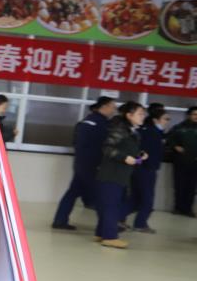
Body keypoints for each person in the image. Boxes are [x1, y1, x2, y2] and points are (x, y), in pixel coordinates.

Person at [52, 96, 117, 230]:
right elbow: (103, 147)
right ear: (104, 107)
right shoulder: (102, 124)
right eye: (112, 107)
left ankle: (60, 220)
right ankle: (107, 227)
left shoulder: (86, 121)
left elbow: (76, 143)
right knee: (101, 196)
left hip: (81, 163)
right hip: (92, 166)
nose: (114, 110)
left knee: (72, 193)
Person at [95, 102, 147, 249]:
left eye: (143, 114)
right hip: (111, 174)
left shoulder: (132, 131)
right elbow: (107, 148)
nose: (143, 117)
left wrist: (139, 154)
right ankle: (110, 237)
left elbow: (126, 147)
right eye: (140, 114)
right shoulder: (120, 129)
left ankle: (101, 233)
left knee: (110, 205)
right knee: (112, 206)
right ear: (129, 115)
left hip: (121, 174)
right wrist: (124, 157)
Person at [128, 106, 170, 233]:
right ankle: (140, 224)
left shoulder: (151, 131)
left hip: (141, 168)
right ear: (156, 120)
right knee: (147, 199)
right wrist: (144, 164)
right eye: (165, 119)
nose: (167, 121)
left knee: (135, 199)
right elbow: (144, 152)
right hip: (146, 169)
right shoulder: (152, 133)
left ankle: (117, 218)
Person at [166, 106, 197, 217]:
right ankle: (178, 208)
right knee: (179, 185)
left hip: (194, 163)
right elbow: (169, 139)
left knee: (191, 187)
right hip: (180, 161)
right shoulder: (179, 127)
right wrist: (175, 146)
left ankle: (188, 209)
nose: (196, 116)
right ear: (188, 115)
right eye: (194, 114)